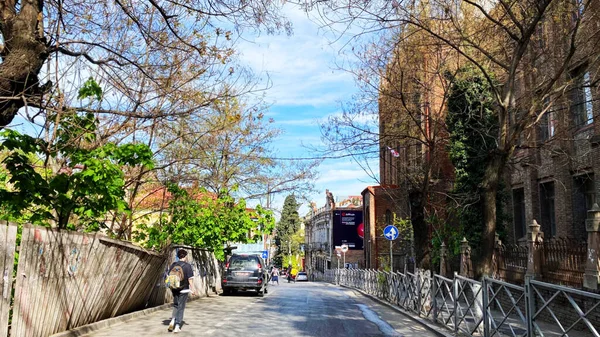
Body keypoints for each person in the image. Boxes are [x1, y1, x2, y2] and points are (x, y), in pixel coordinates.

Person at [168, 249, 195, 333]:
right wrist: (193, 289)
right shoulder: (187, 266)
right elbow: (190, 279)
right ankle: (177, 325)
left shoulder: (173, 265)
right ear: (185, 256)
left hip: (174, 288)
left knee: (176, 305)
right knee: (181, 307)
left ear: (178, 256)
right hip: (184, 289)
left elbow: (169, 277)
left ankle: (172, 320)